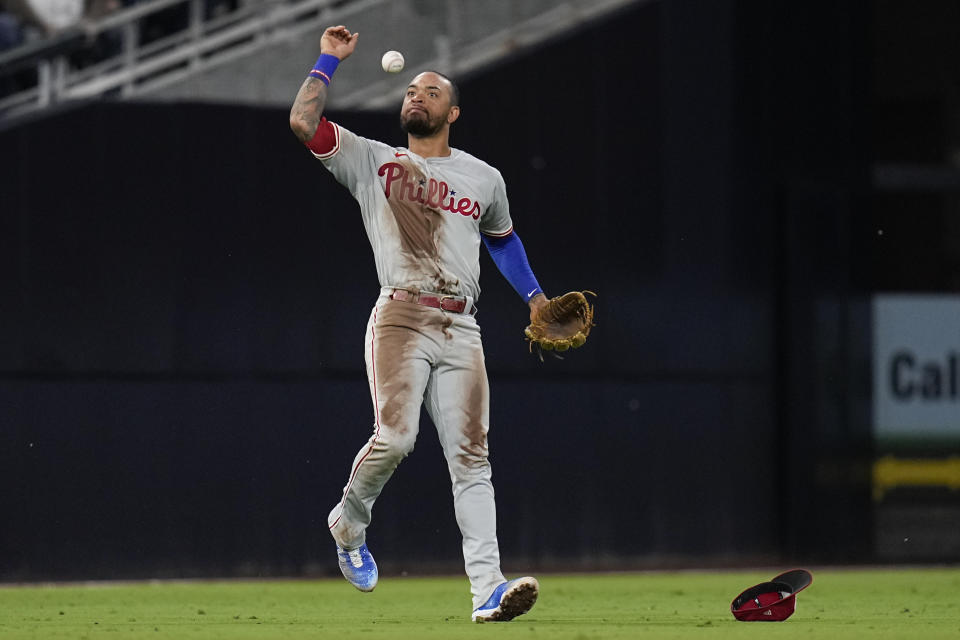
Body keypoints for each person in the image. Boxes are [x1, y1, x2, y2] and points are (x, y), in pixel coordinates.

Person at [289, 25, 549, 623]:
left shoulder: (484, 178)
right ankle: (349, 521)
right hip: (401, 315)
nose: (417, 96)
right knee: (397, 437)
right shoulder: (372, 160)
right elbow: (305, 124)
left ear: (452, 110)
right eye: (411, 90)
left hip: (463, 326)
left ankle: (488, 590)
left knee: (472, 459)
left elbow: (503, 243)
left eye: (431, 91)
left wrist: (535, 297)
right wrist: (328, 60)